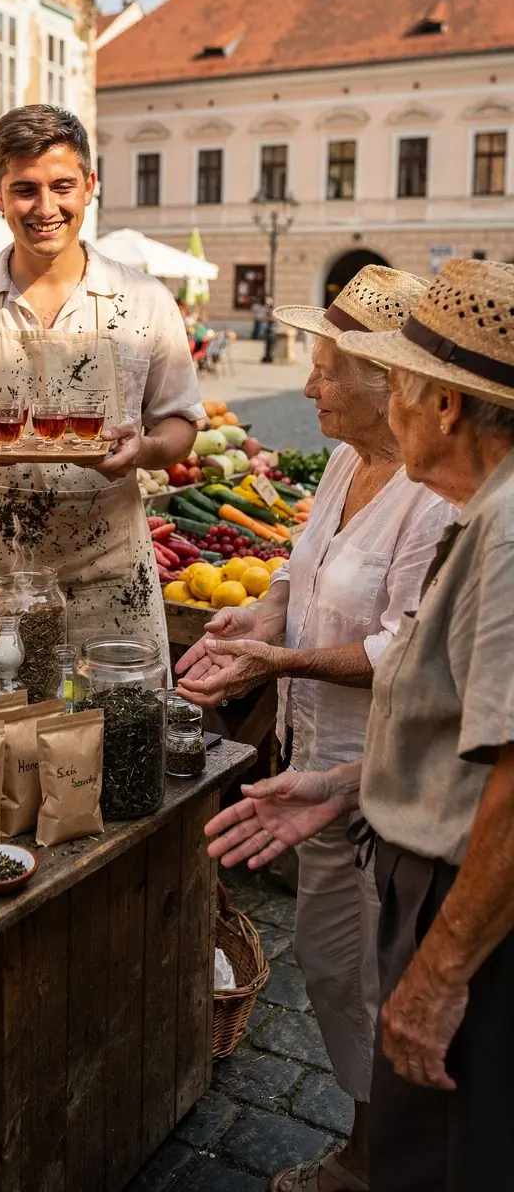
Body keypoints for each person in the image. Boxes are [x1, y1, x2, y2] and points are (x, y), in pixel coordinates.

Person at [204, 259, 514, 1191]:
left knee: (451, 1134)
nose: (314, 388)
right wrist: (341, 784)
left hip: (457, 878)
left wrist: (438, 974)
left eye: (400, 379)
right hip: (367, 795)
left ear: (440, 403)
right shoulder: (478, 511)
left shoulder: (500, 533)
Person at [0, 104, 203, 650]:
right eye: (25, 189)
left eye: (62, 186)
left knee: (114, 726)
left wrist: (146, 448)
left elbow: (181, 422)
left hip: (109, 578)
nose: (46, 207)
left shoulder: (146, 301)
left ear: (90, 186)